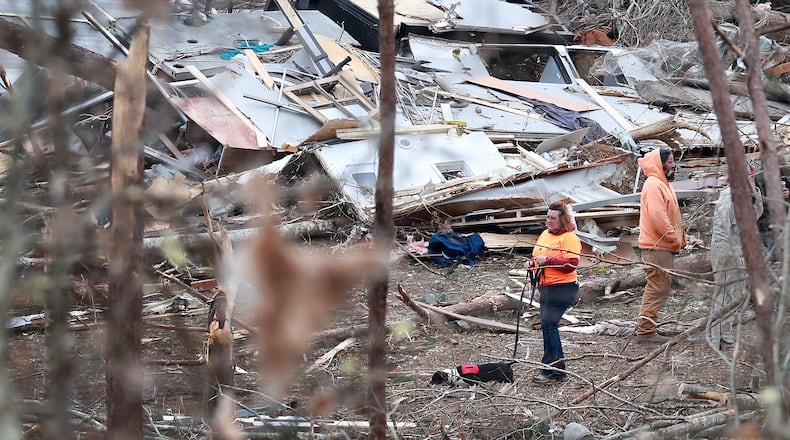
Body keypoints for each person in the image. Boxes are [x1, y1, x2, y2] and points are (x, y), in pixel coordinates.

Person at [525, 202, 581, 384]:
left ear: (562, 219)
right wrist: (532, 263)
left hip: (563, 287)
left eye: (552, 218)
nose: (548, 221)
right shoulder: (545, 234)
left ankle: (552, 370)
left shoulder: (569, 238)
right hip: (546, 287)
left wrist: (547, 260)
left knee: (549, 324)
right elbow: (537, 256)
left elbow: (571, 264)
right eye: (547, 217)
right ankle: (555, 369)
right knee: (547, 326)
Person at [635, 147, 687, 344]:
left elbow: (671, 215)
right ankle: (646, 332)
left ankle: (648, 326)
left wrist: (681, 236)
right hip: (657, 247)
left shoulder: (662, 184)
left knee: (660, 288)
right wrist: (674, 237)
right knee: (657, 288)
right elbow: (659, 218)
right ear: (660, 163)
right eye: (671, 161)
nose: (674, 165)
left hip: (663, 247)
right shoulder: (654, 185)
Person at [709, 180, 763, 350]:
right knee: (723, 293)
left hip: (740, 250)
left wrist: (756, 195)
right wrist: (725, 256)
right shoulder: (727, 197)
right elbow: (720, 229)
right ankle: (714, 335)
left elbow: (756, 215)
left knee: (735, 294)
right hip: (726, 251)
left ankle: (726, 333)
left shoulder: (749, 195)